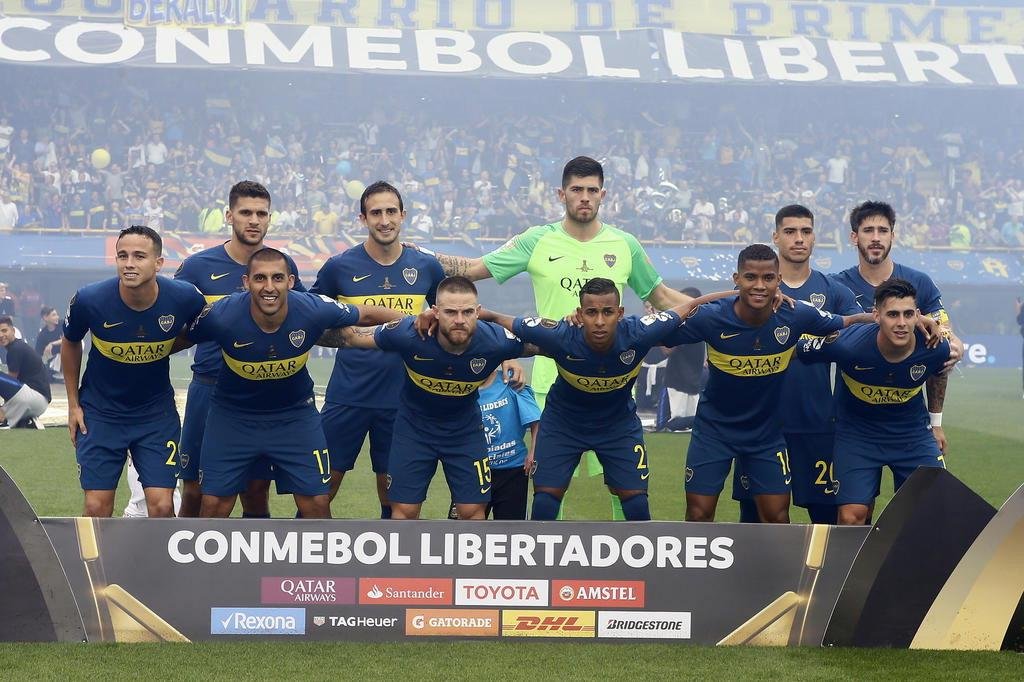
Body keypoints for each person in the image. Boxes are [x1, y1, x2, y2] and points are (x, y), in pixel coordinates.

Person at [425, 156, 691, 520]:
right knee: (550, 485)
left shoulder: (624, 244)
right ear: (561, 194)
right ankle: (550, 571)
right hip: (551, 384)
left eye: (592, 190)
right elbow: (472, 270)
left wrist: (726, 314)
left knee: (623, 485)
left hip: (610, 384)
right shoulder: (538, 240)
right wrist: (413, 255)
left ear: (603, 195)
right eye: (576, 190)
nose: (584, 197)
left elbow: (661, 298)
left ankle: (630, 571)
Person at [663, 244, 876, 524]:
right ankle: (699, 570)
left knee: (776, 517)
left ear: (778, 280)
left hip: (765, 434)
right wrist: (717, 297)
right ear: (736, 278)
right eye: (750, 278)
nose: (760, 286)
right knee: (699, 514)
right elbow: (659, 333)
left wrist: (906, 320)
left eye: (768, 279)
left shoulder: (796, 314)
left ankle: (774, 570)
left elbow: (846, 321)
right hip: (714, 431)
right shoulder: (712, 317)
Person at [183, 248, 403, 519]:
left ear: (290, 281)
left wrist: (418, 322)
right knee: (214, 506)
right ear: (246, 283)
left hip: (294, 417)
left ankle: (312, 563)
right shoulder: (221, 314)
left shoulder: (312, 307)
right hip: (232, 418)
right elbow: (182, 335)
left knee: (317, 505)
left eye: (277, 278)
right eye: (260, 278)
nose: (269, 287)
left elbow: (367, 314)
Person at [481, 277, 705, 521]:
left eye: (607, 312)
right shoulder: (561, 334)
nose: (599, 321)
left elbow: (691, 308)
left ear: (620, 313)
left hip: (617, 426)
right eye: (591, 313)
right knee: (545, 500)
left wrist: (732, 299)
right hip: (563, 425)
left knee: (636, 502)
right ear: (580, 313)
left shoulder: (639, 332)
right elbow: (496, 319)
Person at [336, 276, 529, 521]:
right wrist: (303, 324)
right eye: (450, 312)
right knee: (404, 512)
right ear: (435, 312)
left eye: (467, 312)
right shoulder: (409, 334)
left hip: (465, 433)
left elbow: (552, 341)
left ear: (478, 312)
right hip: (414, 432)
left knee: (472, 512)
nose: (459, 320)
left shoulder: (496, 340)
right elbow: (351, 337)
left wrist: (575, 325)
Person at [309, 181, 445, 518]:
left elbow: (457, 317)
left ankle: (389, 571)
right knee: (319, 492)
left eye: (390, 212)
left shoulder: (426, 266)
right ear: (363, 218)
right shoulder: (339, 266)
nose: (384, 220)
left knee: (396, 498)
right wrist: (346, 334)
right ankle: (314, 562)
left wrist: (501, 361)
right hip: (348, 395)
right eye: (375, 213)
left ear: (402, 215)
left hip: (404, 399)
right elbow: (310, 317)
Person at [171, 180, 306, 518]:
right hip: (210, 385)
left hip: (261, 393)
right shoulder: (198, 267)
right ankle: (183, 565)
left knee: (256, 489)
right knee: (195, 488)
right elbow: (171, 324)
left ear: (269, 219)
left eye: (261, 214)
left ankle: (253, 570)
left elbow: (304, 315)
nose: (254, 220)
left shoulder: (280, 266)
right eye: (246, 212)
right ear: (229, 216)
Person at [61, 226, 207, 517]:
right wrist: (73, 405)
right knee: (96, 506)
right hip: (100, 413)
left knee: (163, 505)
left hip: (155, 414)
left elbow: (203, 329)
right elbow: (71, 341)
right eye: (122, 256)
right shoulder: (90, 299)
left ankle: (158, 564)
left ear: (158, 263)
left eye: (139, 256)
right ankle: (95, 565)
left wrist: (166, 345)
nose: (129, 263)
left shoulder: (184, 298)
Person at [732, 205, 862, 525]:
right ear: (776, 237)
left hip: (816, 423)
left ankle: (826, 577)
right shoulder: (755, 292)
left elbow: (864, 332)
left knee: (826, 518)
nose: (799, 239)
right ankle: (759, 577)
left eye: (806, 231)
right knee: (756, 519)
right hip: (760, 425)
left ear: (814, 238)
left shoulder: (833, 291)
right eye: (790, 232)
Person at [797, 278, 951, 525]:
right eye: (892, 314)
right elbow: (797, 347)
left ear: (918, 316)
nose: (901, 323)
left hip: (911, 435)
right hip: (858, 435)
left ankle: (909, 563)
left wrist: (936, 423)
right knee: (851, 516)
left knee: (929, 511)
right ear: (876, 316)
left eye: (908, 314)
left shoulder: (935, 347)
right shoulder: (847, 344)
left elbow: (939, 374)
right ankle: (855, 564)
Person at [832, 200, 961, 455]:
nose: (876, 238)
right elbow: (820, 333)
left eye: (883, 231)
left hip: (910, 422)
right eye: (868, 231)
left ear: (893, 235)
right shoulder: (836, 286)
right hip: (853, 421)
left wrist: (954, 345)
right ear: (854, 237)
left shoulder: (919, 282)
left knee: (922, 495)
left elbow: (943, 330)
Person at [449, 368, 542, 520]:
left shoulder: (512, 382)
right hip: (473, 471)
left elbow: (536, 422)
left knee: (511, 532)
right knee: (462, 531)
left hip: (512, 471)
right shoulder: (460, 387)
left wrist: (534, 452)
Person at [659, 287, 705, 433]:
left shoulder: (699, 326)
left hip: (691, 383)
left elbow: (667, 350)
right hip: (677, 384)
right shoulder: (685, 325)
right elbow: (668, 350)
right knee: (673, 427)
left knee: (684, 428)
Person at [0, 316, 50, 429]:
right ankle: (25, 420)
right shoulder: (18, 346)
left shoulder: (16, 349)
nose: (1, 335)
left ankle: (7, 417)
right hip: (38, 402)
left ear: (13, 331)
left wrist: (3, 409)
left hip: (33, 398)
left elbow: (10, 384)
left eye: (4, 330)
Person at [34, 306, 63, 382]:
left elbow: (68, 339)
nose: (57, 317)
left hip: (69, 357)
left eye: (56, 314)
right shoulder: (42, 334)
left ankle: (64, 373)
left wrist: (52, 344)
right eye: (54, 315)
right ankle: (57, 376)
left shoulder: (62, 324)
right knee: (46, 378)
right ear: (45, 318)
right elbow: (38, 354)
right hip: (53, 361)